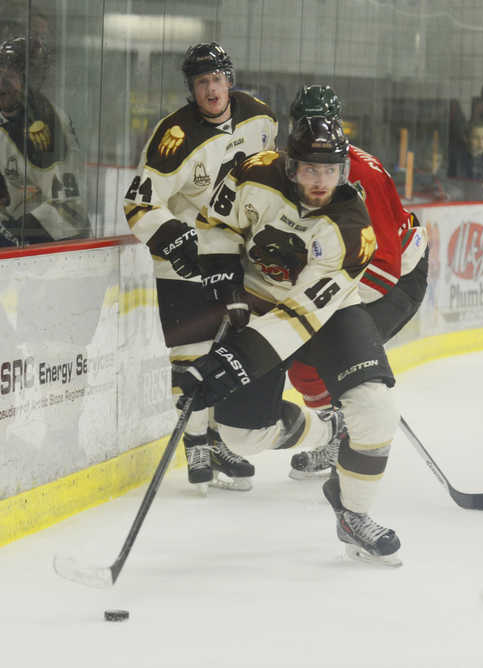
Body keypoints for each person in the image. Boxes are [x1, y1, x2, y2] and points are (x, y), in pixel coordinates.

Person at [178, 116, 402, 565]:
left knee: (376, 411)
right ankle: (327, 430)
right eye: (311, 170)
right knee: (242, 438)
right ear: (290, 165)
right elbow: (215, 224)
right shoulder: (253, 174)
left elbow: (301, 315)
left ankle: (353, 514)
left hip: (328, 311)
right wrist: (227, 287)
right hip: (258, 302)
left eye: (331, 170)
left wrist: (233, 363)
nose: (321, 182)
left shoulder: (352, 228)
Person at [123, 42, 278, 491]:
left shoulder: (260, 118)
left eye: (217, 79)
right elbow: (138, 202)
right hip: (184, 259)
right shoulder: (173, 136)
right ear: (191, 90)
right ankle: (197, 447)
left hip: (236, 256)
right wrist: (174, 236)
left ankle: (216, 439)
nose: (211, 90)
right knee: (190, 354)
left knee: (228, 353)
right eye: (201, 83)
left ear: (230, 79)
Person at [283, 85, 429, 480]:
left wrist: (334, 306)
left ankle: (352, 440)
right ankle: (339, 431)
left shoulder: (362, 174)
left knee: (331, 357)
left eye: (323, 124)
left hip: (396, 279)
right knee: (302, 368)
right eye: (303, 123)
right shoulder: (297, 168)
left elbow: (386, 265)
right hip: (349, 276)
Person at [0, 36, 90, 249]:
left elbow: (69, 208)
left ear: (33, 81)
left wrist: (11, 235)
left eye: (11, 76)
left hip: (50, 246)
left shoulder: (47, 127)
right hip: (2, 229)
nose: (1, 82)